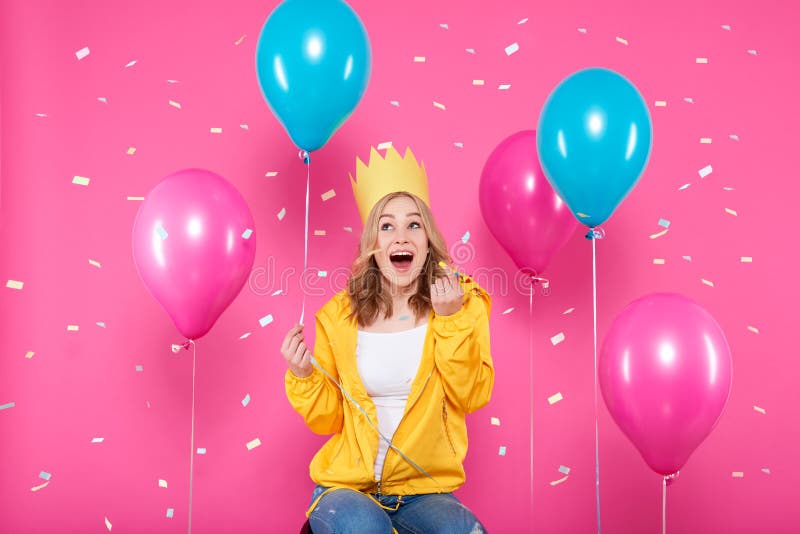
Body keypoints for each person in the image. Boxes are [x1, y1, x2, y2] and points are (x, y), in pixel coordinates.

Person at [280, 147, 493, 534]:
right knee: (365, 528)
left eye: (414, 225)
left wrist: (450, 322)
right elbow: (329, 418)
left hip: (425, 490)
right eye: (387, 226)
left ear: (428, 238)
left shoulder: (463, 303)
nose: (401, 236)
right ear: (372, 244)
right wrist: (305, 374)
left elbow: (471, 396)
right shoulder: (338, 316)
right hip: (349, 487)